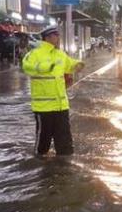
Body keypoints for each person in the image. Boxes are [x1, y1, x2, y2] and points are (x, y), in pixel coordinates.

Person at [22, 25, 85, 156]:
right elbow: (27, 67)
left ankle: (65, 165)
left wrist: (77, 65)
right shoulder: (34, 54)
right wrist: (47, 67)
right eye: (56, 35)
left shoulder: (60, 54)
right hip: (43, 107)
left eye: (58, 35)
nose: (58, 38)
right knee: (42, 143)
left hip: (61, 106)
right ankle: (39, 166)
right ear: (48, 37)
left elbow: (69, 64)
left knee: (65, 142)